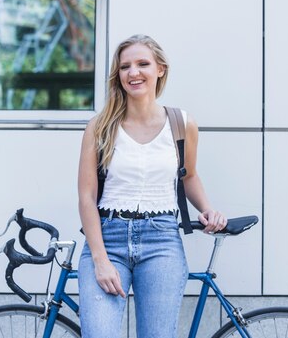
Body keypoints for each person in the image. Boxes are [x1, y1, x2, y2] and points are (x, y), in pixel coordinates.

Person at [77, 34, 226, 338]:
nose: (133, 72)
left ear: (160, 69)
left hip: (162, 241)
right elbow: (86, 196)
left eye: (142, 64)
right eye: (125, 67)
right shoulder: (100, 126)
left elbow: (189, 176)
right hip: (108, 238)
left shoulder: (181, 123)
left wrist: (208, 209)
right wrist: (100, 260)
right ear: (117, 76)